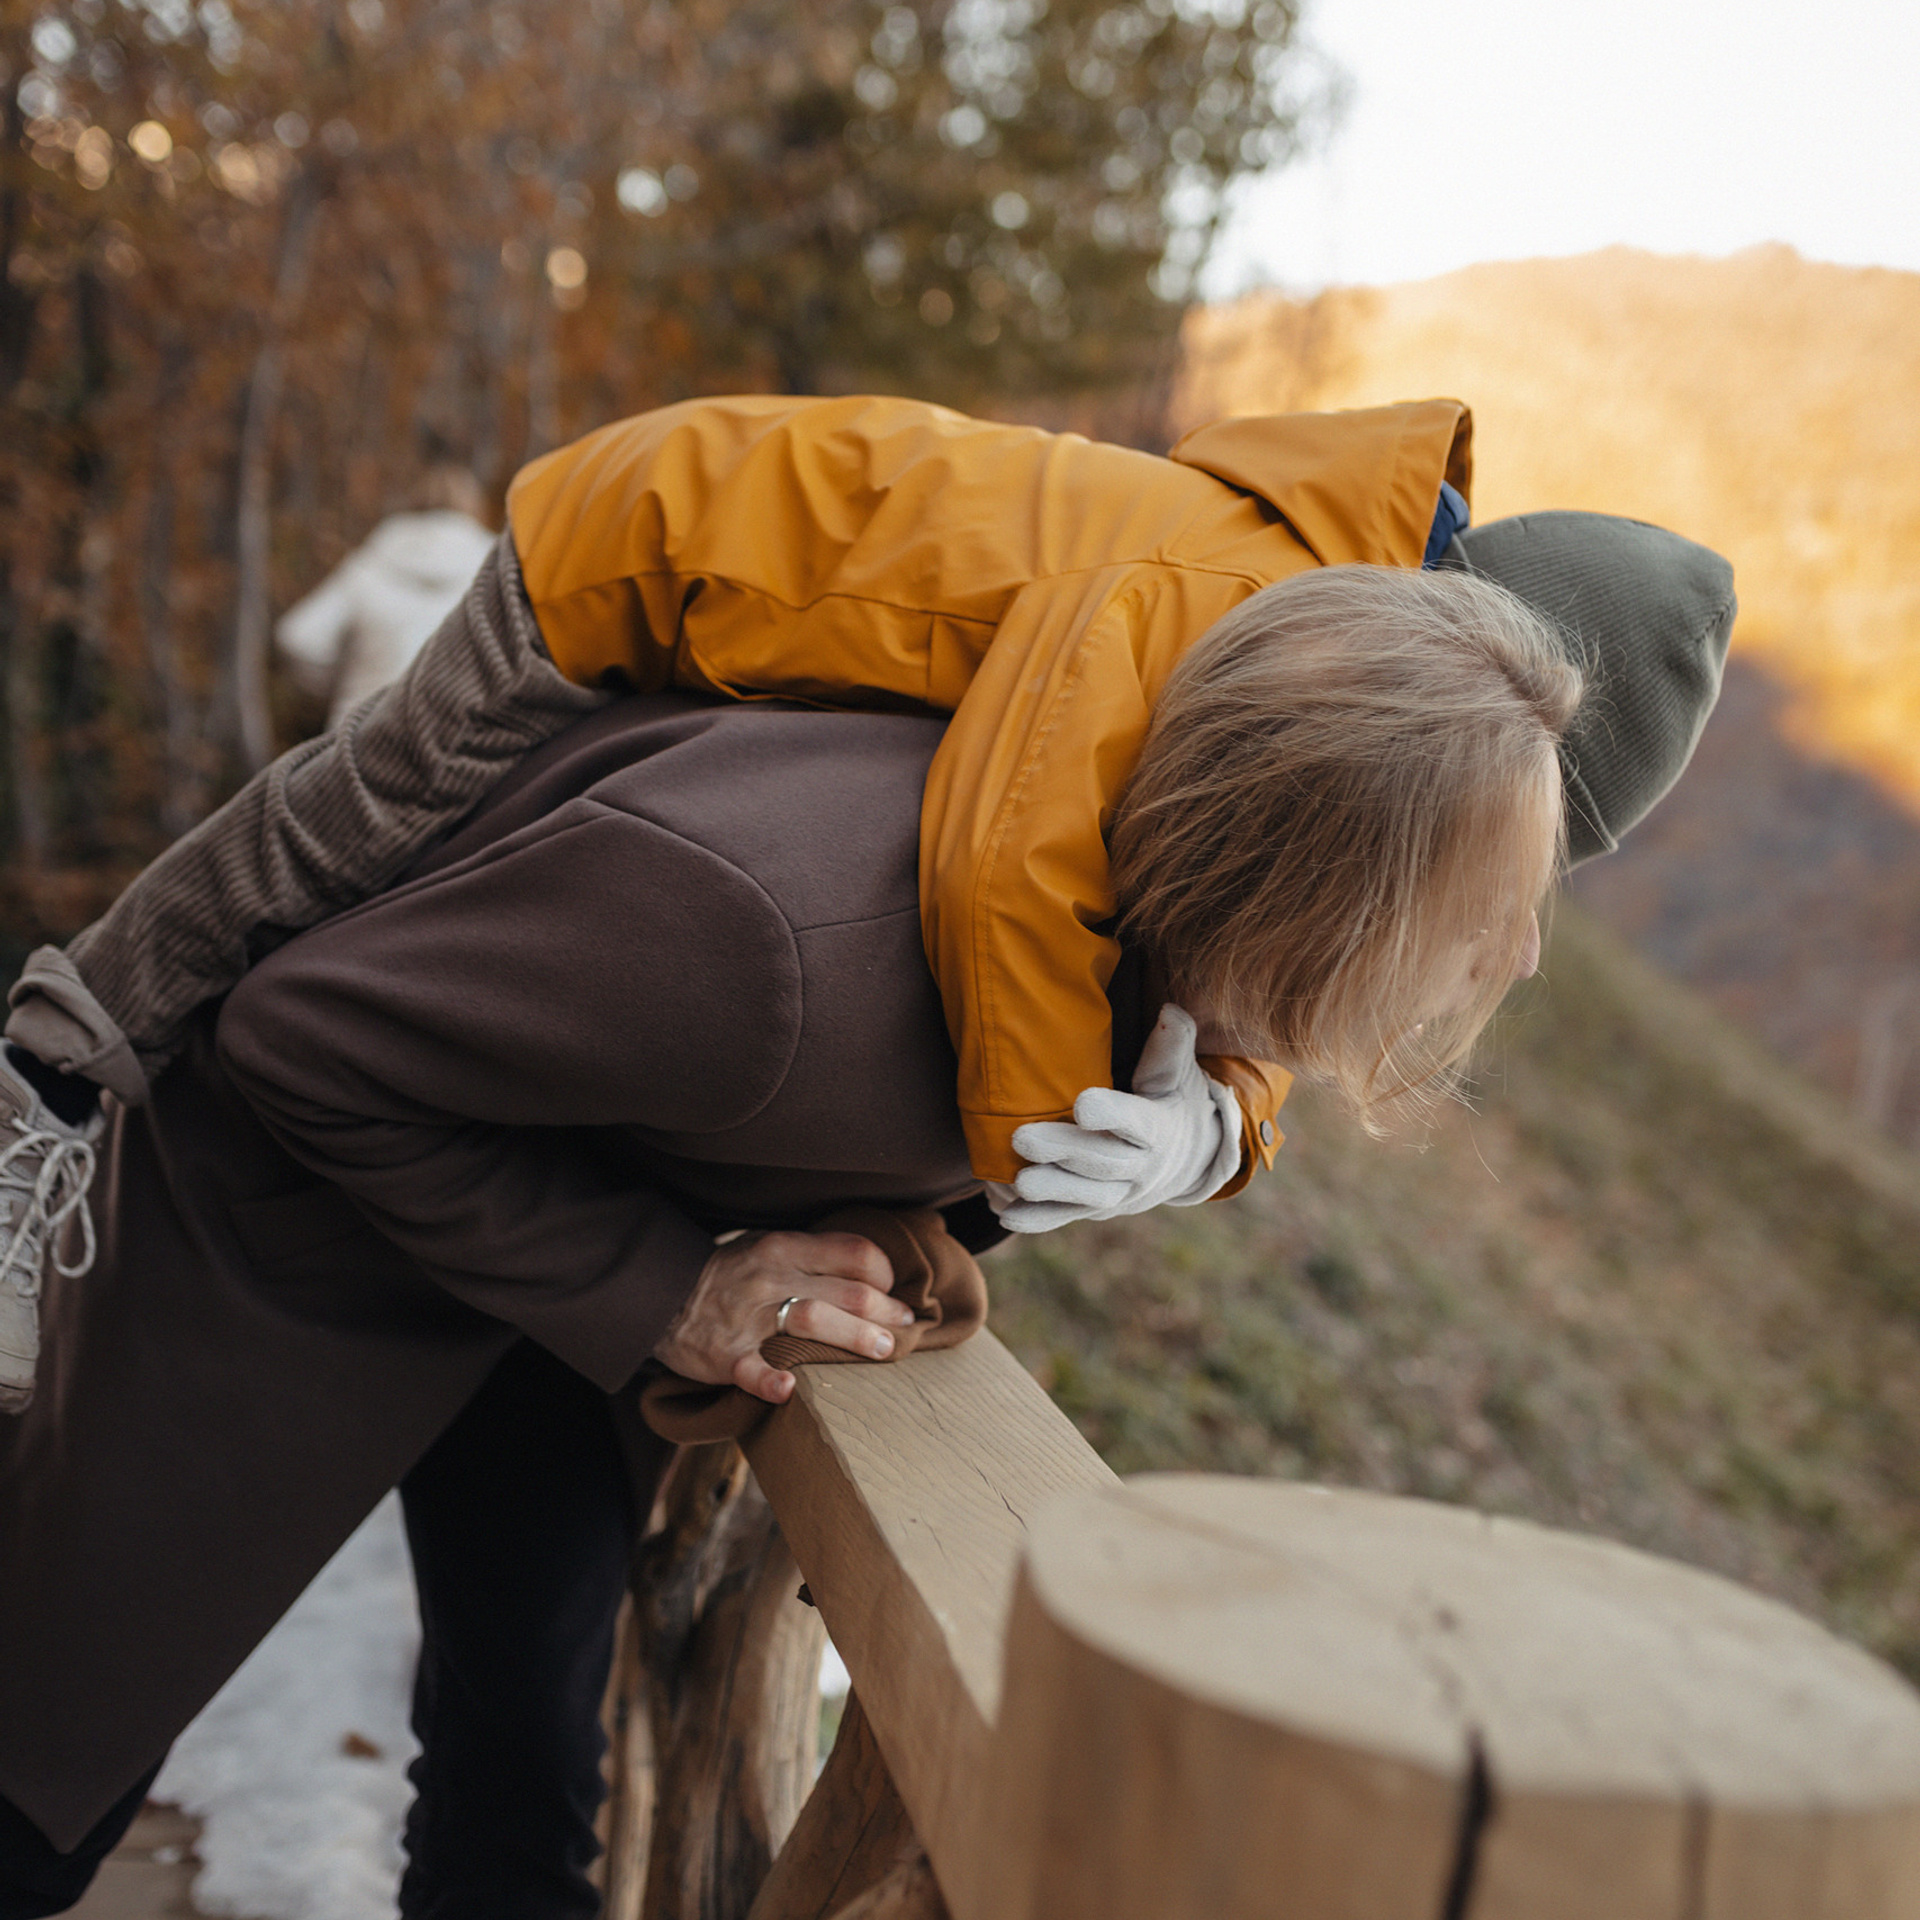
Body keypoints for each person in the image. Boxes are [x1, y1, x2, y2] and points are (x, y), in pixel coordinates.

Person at [0, 395, 1734, 1915]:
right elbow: (301, 1039)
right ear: (1340, 849)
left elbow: (1031, 1068)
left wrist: (1206, 1131)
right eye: (1490, 897)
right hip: (301, 1235)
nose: (1519, 956)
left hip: (553, 1234)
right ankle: (56, 1051)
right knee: (39, 1783)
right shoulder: (792, 933)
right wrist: (674, 1290)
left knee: (521, 1792)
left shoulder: (1160, 858)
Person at [275, 466, 497, 728]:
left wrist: (339, 683)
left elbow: (299, 638)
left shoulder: (372, 562)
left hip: (362, 734)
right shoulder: (497, 572)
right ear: (475, 510)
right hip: (458, 737)